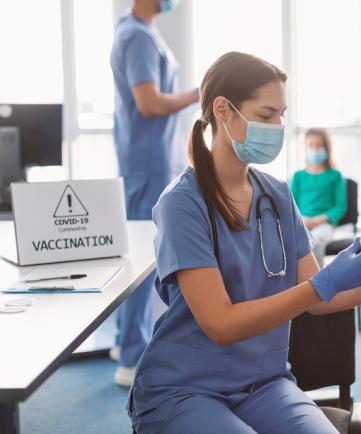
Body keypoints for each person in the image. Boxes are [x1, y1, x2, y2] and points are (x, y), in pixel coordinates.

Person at [127, 51, 361, 434]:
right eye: (267, 115)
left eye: (282, 114)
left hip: (263, 384)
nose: (278, 126)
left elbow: (322, 301)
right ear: (223, 110)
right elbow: (220, 324)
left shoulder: (277, 195)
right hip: (186, 388)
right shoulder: (182, 204)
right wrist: (322, 285)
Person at [109, 0, 199, 387]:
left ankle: (126, 344)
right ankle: (132, 358)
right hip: (147, 163)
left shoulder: (145, 33)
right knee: (143, 262)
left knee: (146, 257)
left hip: (155, 160)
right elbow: (148, 103)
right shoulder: (135, 37)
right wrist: (197, 94)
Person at [290, 128, 347, 266]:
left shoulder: (335, 176)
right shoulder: (298, 176)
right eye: (311, 145)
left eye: (319, 145)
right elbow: (290, 204)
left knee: (314, 241)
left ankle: (317, 282)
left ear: (326, 148)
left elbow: (340, 206)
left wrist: (317, 221)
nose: (315, 149)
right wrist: (303, 220)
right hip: (301, 222)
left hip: (324, 224)